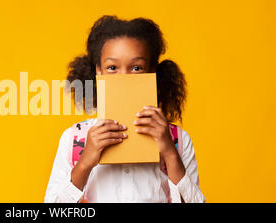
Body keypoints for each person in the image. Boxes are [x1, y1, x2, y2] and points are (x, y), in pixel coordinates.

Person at [44, 15, 205, 203]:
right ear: (99, 71)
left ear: (152, 71)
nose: (124, 77)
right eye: (112, 67)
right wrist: (85, 163)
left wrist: (169, 152)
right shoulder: (74, 140)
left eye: (136, 68)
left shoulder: (178, 140)